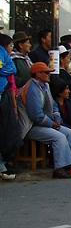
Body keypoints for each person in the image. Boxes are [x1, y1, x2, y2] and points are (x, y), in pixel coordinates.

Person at [18, 62, 71, 178]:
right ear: (37, 74)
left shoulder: (45, 86)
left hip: (44, 122)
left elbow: (53, 105)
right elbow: (36, 115)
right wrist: (52, 124)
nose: (49, 75)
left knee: (68, 132)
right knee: (59, 137)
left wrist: (57, 118)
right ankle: (59, 168)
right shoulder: (32, 88)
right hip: (30, 126)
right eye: (46, 72)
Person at [0, 33, 20, 180]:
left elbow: (12, 69)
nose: (11, 48)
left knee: (6, 131)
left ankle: (3, 164)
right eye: (11, 45)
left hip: (4, 94)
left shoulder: (3, 53)